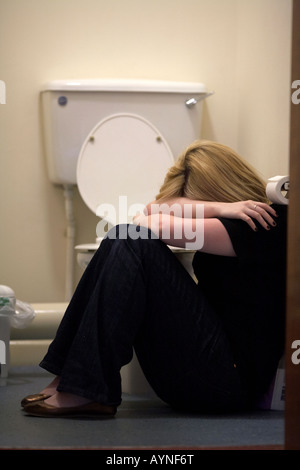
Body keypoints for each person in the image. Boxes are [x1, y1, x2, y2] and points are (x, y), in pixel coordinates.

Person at [21, 140, 287, 418]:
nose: (199, 208)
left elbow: (151, 221)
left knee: (130, 239)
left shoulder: (269, 223)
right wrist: (220, 208)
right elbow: (151, 211)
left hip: (228, 383)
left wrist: (216, 209)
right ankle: (70, 378)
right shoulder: (230, 218)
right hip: (195, 374)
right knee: (123, 236)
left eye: (202, 200)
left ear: (221, 187)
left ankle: (84, 388)